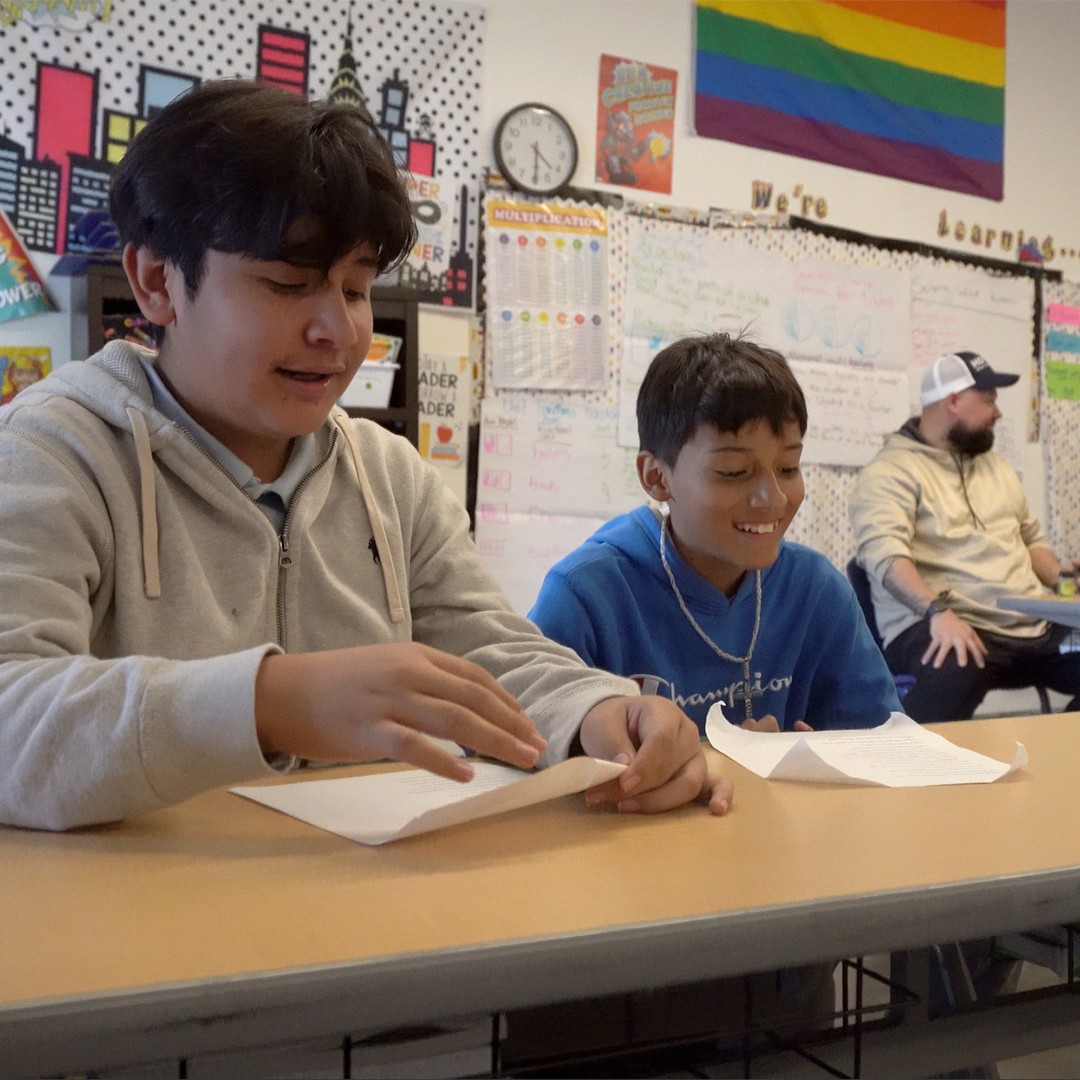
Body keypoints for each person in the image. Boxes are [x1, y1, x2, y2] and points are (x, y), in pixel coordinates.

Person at [0, 78, 732, 832]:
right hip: (142, 924)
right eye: (288, 284)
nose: (340, 331)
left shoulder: (388, 476)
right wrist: (270, 703)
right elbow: (10, 714)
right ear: (157, 282)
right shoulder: (54, 452)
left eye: (355, 289)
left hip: (363, 917)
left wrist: (600, 711)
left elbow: (492, 655)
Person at [529, 332, 901, 734]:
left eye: (788, 468)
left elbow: (885, 743)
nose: (772, 498)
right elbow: (522, 752)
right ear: (657, 477)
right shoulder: (585, 594)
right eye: (733, 473)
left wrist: (822, 761)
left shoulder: (816, 590)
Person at [849, 349, 1080, 723]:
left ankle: (1064, 756)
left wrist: (1064, 582)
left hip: (1030, 626)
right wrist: (938, 612)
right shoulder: (890, 471)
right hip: (947, 623)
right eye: (988, 400)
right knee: (955, 665)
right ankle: (905, 770)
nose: (998, 412)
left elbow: (1032, 540)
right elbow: (885, 558)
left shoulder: (998, 467)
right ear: (953, 401)